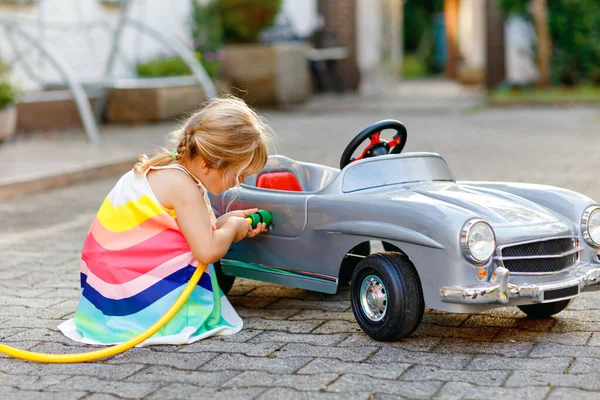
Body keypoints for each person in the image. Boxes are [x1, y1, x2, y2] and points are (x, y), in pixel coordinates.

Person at [59, 97, 272, 345]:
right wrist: (233, 228)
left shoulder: (167, 169)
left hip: (104, 296)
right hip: (131, 303)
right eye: (237, 175)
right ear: (208, 165)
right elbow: (207, 251)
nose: (239, 183)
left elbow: (176, 231)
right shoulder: (184, 187)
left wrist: (224, 220)